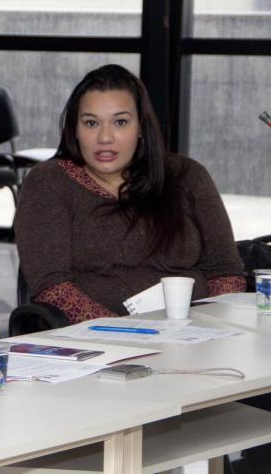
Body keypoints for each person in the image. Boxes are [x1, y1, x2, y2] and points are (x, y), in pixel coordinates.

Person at [14, 64, 245, 323]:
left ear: (141, 128)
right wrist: (124, 331)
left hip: (195, 332)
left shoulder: (187, 175)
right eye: (91, 123)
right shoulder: (50, 182)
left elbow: (225, 271)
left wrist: (213, 326)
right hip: (95, 338)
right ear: (75, 130)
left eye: (120, 122)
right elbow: (52, 288)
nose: (105, 137)